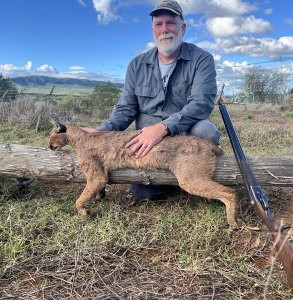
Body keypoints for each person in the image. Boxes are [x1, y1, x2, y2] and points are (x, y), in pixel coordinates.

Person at [83, 0, 219, 201]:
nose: (165, 29)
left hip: (184, 135)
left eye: (171, 23)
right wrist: (100, 132)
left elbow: (201, 103)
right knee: (144, 195)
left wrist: (163, 128)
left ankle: (196, 175)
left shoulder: (202, 59)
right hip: (148, 143)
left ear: (183, 27)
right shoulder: (136, 65)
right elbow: (125, 109)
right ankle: (177, 180)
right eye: (158, 24)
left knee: (206, 131)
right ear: (153, 30)